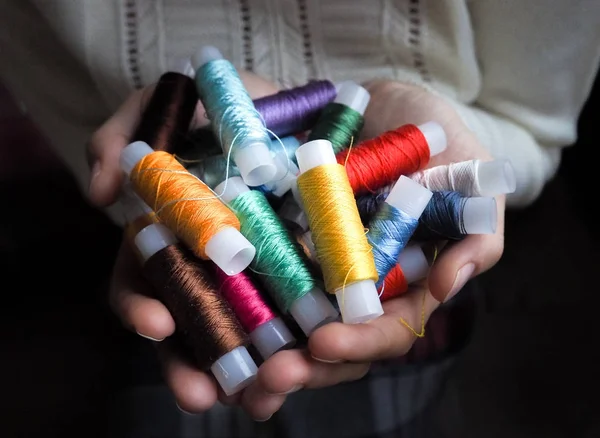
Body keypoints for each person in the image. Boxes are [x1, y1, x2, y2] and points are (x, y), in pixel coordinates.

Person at [1, 1, 599, 437]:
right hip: (163, 276)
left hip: (413, 322)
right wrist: (145, 181)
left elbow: (531, 123)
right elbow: (62, 97)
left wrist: (462, 152)